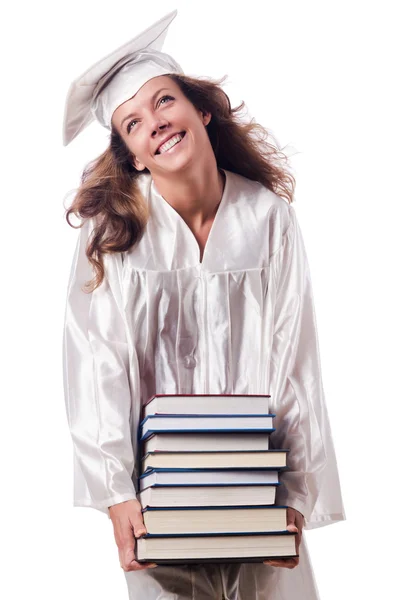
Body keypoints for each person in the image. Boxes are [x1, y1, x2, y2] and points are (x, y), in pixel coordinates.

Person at [62, 9, 345, 600]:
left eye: (164, 101)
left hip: (256, 490)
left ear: (201, 109)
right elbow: (98, 365)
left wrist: (294, 492)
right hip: (159, 499)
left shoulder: (268, 219)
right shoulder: (113, 234)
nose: (156, 124)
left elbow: (295, 358)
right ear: (133, 154)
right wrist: (117, 491)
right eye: (133, 122)